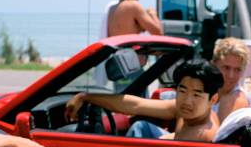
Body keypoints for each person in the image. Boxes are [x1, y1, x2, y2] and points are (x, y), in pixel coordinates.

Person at [65, 59, 223, 142]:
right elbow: (136, 105)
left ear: (213, 99)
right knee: (140, 126)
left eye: (196, 94)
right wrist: (86, 96)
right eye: (182, 90)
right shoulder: (187, 111)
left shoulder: (202, 135)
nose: (187, 101)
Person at [211, 38, 251, 122]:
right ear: (214, 64)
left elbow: (220, 135)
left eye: (237, 70)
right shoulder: (203, 90)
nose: (231, 75)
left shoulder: (237, 100)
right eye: (226, 68)